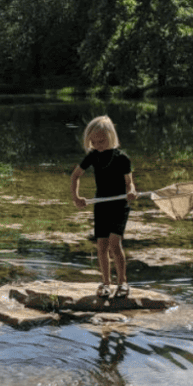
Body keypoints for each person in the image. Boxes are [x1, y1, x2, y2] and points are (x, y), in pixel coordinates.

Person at [70, 115, 138, 299]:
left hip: (119, 205)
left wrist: (131, 192)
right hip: (101, 205)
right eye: (94, 141)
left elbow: (130, 184)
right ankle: (106, 283)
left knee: (115, 244)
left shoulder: (122, 158)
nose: (98, 144)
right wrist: (76, 197)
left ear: (111, 136)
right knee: (101, 246)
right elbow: (75, 176)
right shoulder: (93, 156)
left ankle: (122, 282)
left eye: (102, 140)